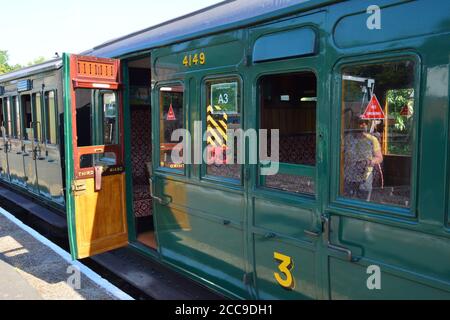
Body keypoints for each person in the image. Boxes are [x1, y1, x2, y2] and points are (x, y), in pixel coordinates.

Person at [344, 117, 384, 201]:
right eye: (360, 122)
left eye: (366, 122)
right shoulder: (347, 139)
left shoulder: (372, 140)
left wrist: (368, 162)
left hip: (365, 177)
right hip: (349, 177)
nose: (363, 125)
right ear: (354, 124)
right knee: (348, 203)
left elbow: (379, 158)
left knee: (363, 204)